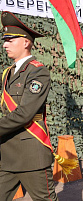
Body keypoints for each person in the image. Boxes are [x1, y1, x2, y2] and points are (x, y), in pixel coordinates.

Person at [0, 11, 58, 200]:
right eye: (4, 40)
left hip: (31, 155)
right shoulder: (7, 73)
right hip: (7, 154)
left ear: (26, 42)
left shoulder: (38, 72)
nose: (4, 44)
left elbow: (24, 113)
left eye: (10, 40)